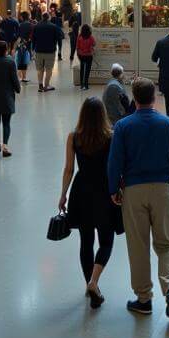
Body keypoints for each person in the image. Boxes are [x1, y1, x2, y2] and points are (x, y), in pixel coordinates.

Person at [108, 77, 169, 318]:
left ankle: (144, 299)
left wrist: (113, 189)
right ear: (155, 97)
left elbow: (115, 162)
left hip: (133, 190)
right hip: (163, 188)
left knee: (138, 245)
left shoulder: (123, 126)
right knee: (166, 243)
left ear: (134, 97)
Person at [59, 97, 121, 308]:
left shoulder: (74, 137)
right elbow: (116, 168)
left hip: (81, 191)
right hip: (104, 191)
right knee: (106, 241)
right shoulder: (111, 137)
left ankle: (89, 283)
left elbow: (69, 169)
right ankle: (94, 282)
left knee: (85, 242)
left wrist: (63, 194)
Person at [32, 12, 64, 93]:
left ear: (42, 17)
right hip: (50, 51)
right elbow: (60, 37)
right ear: (49, 18)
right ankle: (46, 85)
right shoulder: (53, 27)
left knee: (39, 69)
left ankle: (40, 85)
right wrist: (59, 48)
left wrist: (33, 49)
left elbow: (33, 39)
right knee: (49, 69)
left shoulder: (36, 26)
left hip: (38, 51)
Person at [76, 24, 96, 90]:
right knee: (87, 70)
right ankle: (86, 85)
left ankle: (81, 85)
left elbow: (77, 46)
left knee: (82, 69)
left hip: (81, 55)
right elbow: (94, 44)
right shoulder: (90, 37)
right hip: (89, 55)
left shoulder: (80, 36)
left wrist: (78, 53)